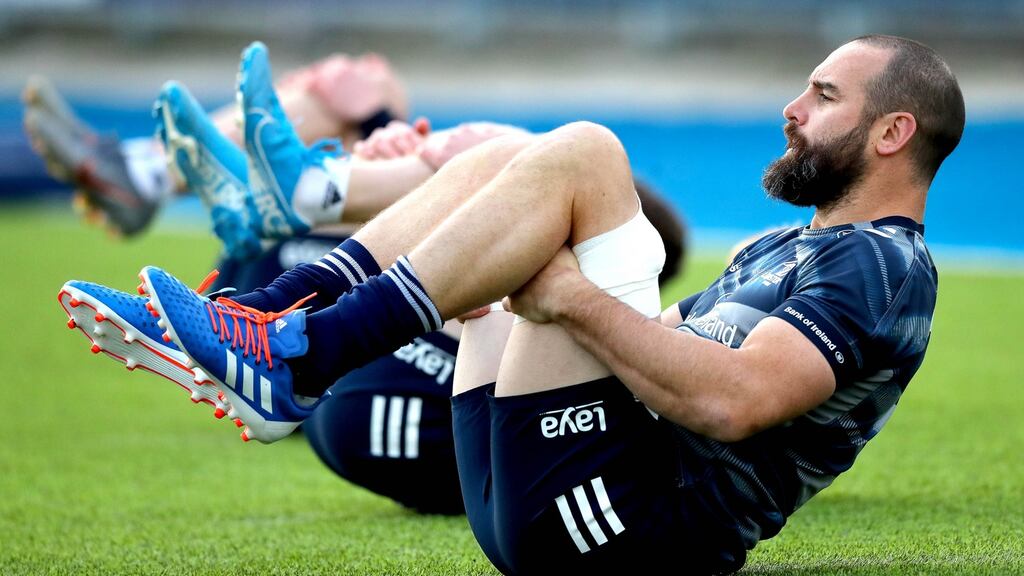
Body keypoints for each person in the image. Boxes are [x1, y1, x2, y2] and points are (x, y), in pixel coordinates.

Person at [73, 34, 964, 574]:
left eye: (824, 96)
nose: (791, 108)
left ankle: (295, 355)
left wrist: (571, 295)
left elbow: (728, 402)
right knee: (511, 162)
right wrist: (496, 280)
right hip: (561, 500)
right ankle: (272, 316)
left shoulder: (882, 268)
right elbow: (662, 349)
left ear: (892, 134)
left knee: (585, 154)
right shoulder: (784, 249)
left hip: (630, 532)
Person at [58, 42, 687, 516]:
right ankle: (262, 280)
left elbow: (726, 397)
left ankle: (279, 245)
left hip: (459, 441)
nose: (789, 109)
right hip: (429, 412)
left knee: (563, 153)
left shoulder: (580, 229)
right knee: (384, 98)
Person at [23, 51, 409, 237]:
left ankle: (148, 171)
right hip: (404, 181)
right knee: (366, 79)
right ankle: (147, 167)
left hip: (425, 199)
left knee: (364, 84)